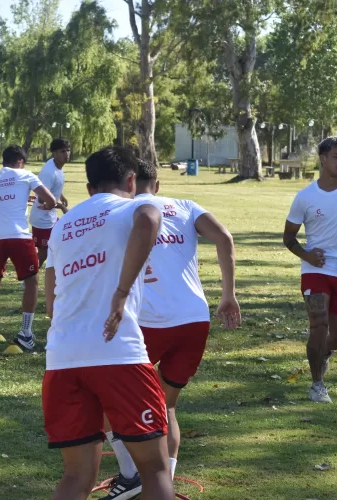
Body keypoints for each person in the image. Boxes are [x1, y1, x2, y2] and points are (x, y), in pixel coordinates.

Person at [100, 160, 241, 499]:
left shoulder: (121, 209)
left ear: (130, 184)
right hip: (194, 320)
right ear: (158, 184)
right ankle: (163, 486)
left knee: (107, 399)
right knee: (167, 406)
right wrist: (228, 295)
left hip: (149, 322)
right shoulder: (186, 206)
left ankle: (132, 476)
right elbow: (224, 237)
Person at [43, 146, 174, 500]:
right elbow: (149, 220)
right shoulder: (133, 206)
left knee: (76, 476)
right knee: (156, 470)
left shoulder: (63, 224)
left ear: (89, 188)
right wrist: (120, 291)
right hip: (119, 354)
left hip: (62, 359)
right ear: (132, 181)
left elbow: (50, 301)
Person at [283, 137, 337, 404]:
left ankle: (324, 354)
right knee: (318, 326)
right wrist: (306, 254)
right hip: (314, 270)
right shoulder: (305, 197)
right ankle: (317, 384)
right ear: (322, 158)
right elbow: (289, 238)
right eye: (336, 156)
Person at [0, 145, 55, 350]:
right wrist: (42, 205)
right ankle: (26, 332)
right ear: (20, 161)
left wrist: (17, 201)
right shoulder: (25, 175)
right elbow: (50, 200)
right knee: (32, 282)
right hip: (19, 236)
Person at [30, 138, 71, 266]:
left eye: (68, 150)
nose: (67, 154)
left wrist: (61, 195)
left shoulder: (57, 166)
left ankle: (57, 270)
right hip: (43, 219)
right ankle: (30, 278)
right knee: (43, 253)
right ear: (54, 153)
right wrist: (61, 207)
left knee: (62, 239)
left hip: (50, 216)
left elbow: (50, 187)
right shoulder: (50, 172)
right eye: (62, 151)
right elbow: (43, 197)